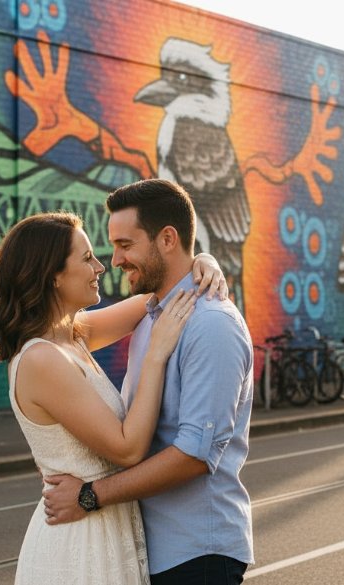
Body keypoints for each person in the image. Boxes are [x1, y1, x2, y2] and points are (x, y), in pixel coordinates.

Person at [0, 210, 227, 584]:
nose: (101, 267)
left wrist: (202, 262)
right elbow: (128, 450)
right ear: (54, 277)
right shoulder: (42, 357)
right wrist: (157, 354)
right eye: (86, 258)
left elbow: (162, 295)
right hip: (80, 540)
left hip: (103, 523)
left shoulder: (71, 336)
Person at [44, 179, 255, 585]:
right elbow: (59, 333)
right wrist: (204, 260)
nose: (114, 259)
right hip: (154, 552)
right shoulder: (154, 312)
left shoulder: (211, 326)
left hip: (197, 553)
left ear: (168, 239)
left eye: (125, 244)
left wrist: (89, 495)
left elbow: (194, 455)